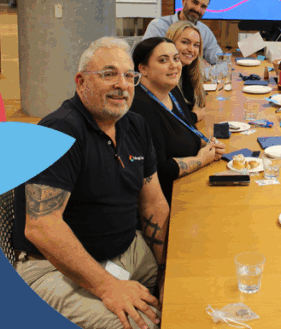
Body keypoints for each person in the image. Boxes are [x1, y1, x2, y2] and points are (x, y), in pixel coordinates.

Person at [12, 37, 169, 329]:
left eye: (128, 76)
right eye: (108, 74)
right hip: (55, 267)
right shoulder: (60, 131)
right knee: (144, 325)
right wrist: (109, 287)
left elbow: (153, 202)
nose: (121, 84)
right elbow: (41, 227)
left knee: (186, 283)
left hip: (127, 251)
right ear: (81, 81)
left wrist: (164, 266)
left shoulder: (135, 125)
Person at [130, 37, 226, 204]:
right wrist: (201, 159)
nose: (174, 65)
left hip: (190, 181)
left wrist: (208, 145)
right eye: (163, 60)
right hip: (169, 197)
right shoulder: (140, 109)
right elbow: (159, 170)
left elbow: (189, 128)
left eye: (175, 58)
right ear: (142, 69)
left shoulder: (171, 91)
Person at [143, 0, 223, 64]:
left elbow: (221, 61)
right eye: (195, 2)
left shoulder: (205, 32)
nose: (197, 9)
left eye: (203, 6)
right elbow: (146, 59)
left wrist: (206, 72)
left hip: (192, 76)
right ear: (184, 0)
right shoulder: (158, 26)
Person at [165, 20, 207, 122]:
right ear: (171, 42)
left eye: (196, 45)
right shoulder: (164, 75)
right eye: (185, 42)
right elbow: (170, 121)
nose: (191, 50)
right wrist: (195, 116)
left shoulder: (188, 70)